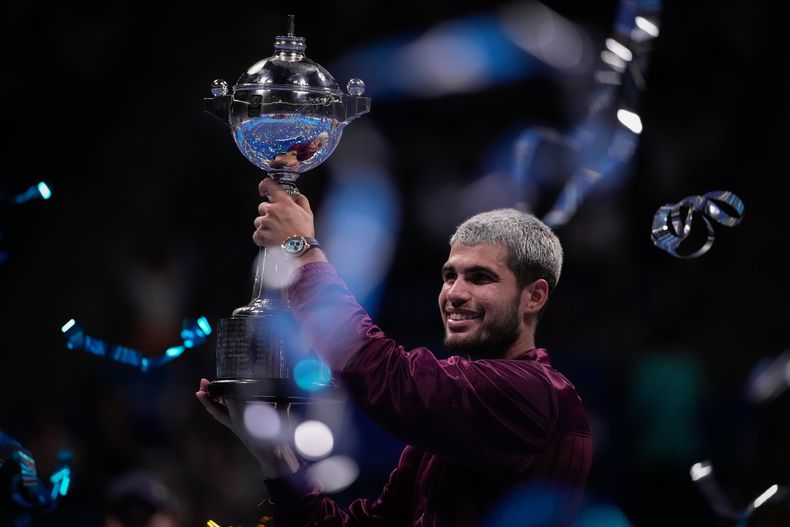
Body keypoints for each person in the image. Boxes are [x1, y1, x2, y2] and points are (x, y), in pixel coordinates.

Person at [197, 177, 592, 526]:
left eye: (480, 277)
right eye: (449, 276)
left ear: (534, 296)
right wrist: (276, 456)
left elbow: (387, 378)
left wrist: (300, 250)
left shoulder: (537, 392)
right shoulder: (452, 427)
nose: (454, 293)